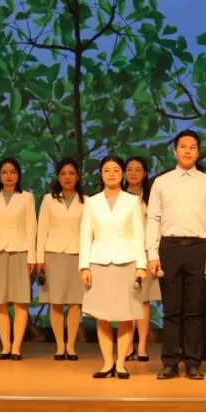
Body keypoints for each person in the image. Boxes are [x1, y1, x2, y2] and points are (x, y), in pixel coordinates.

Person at [147, 131, 206, 381]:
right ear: (175, 151)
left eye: (192, 147)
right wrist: (152, 254)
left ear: (198, 152)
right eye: (183, 146)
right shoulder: (162, 182)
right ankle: (170, 362)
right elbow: (153, 218)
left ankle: (192, 362)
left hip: (199, 249)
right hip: (169, 248)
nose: (187, 151)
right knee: (171, 309)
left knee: (195, 309)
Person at [79, 156, 148, 379]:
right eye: (107, 170)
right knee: (103, 316)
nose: (111, 173)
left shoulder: (132, 201)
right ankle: (107, 362)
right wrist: (84, 266)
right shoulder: (92, 202)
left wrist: (141, 265)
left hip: (126, 262)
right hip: (99, 262)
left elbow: (139, 234)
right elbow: (85, 235)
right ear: (101, 174)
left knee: (126, 315)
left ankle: (120, 363)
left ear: (122, 174)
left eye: (116, 170)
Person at [0, 157, 36, 360]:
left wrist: (32, 257)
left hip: (20, 251)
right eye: (4, 172)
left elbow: (32, 228)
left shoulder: (27, 198)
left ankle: (16, 347)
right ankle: (5, 346)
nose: (8, 176)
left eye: (12, 172)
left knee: (20, 302)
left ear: (18, 175)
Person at [37, 158, 85, 361]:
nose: (67, 177)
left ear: (78, 177)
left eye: (71, 173)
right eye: (63, 173)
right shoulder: (49, 199)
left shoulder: (87, 201)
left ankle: (71, 346)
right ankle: (59, 346)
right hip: (53, 254)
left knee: (75, 302)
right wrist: (39, 259)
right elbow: (42, 229)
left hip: (78, 254)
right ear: (58, 177)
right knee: (55, 301)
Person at [125, 156, 161, 362]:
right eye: (129, 169)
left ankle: (142, 347)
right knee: (128, 299)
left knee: (143, 300)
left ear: (145, 173)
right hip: (124, 252)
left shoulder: (152, 196)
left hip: (146, 252)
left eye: (138, 169)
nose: (133, 173)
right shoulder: (119, 195)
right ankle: (128, 345)